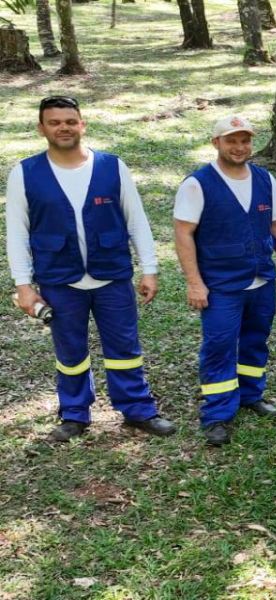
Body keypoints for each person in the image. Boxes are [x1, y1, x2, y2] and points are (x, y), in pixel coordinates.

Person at [5, 96, 175, 442]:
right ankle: (74, 414)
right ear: (41, 129)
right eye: (54, 122)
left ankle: (138, 409)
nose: (63, 128)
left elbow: (136, 220)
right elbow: (17, 233)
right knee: (69, 351)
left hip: (112, 275)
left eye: (70, 121)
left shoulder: (112, 167)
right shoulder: (25, 173)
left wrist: (150, 269)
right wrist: (23, 285)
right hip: (59, 278)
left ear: (82, 124)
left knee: (124, 348)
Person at [173, 115, 276, 446]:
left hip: (261, 279)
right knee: (220, 346)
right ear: (216, 143)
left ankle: (251, 394)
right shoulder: (197, 184)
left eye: (245, 140)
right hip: (220, 284)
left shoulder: (265, 179)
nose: (239, 147)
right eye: (231, 140)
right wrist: (194, 282)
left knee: (256, 339)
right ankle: (218, 413)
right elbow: (183, 234)